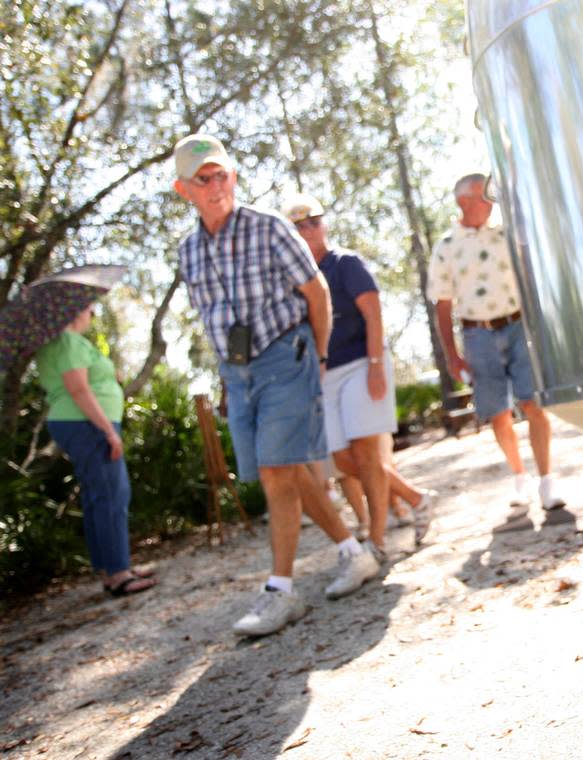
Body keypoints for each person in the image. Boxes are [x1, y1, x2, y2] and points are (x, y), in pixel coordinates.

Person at [172, 134, 380, 637]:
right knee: (280, 473)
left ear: (233, 178)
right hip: (237, 372)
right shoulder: (189, 251)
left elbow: (317, 291)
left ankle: (280, 590)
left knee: (275, 470)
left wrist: (320, 355)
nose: (216, 184)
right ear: (185, 190)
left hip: (287, 355)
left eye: (222, 174)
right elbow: (212, 319)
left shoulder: (268, 228)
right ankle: (353, 553)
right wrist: (226, 379)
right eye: (204, 178)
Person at [281, 193, 436, 557]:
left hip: (360, 364)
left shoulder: (345, 263)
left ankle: (378, 542)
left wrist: (376, 366)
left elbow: (373, 314)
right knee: (343, 461)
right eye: (298, 226)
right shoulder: (293, 281)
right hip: (326, 374)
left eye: (313, 222)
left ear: (324, 224)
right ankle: (417, 498)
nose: (308, 230)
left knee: (367, 454)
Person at [427, 173, 567, 532]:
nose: (490, 203)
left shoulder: (507, 235)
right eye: (483, 197)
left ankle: (547, 481)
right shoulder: (446, 246)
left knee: (533, 403)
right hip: (478, 336)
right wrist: (452, 356)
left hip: (519, 326)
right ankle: (519, 477)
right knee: (499, 413)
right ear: (463, 203)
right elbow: (443, 305)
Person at [36, 303, 158, 597]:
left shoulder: (62, 343)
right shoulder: (67, 341)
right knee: (111, 493)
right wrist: (107, 431)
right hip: (86, 425)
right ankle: (119, 574)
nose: (92, 312)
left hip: (79, 423)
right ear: (75, 310)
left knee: (98, 494)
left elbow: (82, 382)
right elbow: (78, 389)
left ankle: (112, 567)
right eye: (90, 308)